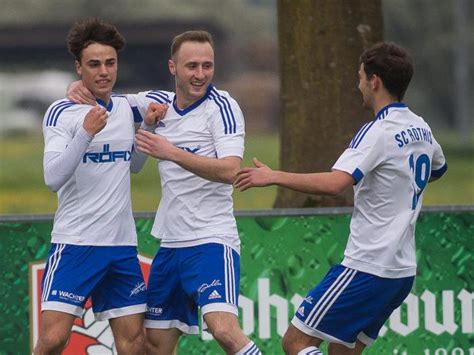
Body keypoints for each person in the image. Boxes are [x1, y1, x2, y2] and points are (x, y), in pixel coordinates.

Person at [234, 42, 447, 354]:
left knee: (295, 342)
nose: (357, 84)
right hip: (401, 272)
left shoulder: (377, 131)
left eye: (360, 76)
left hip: (367, 267)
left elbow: (336, 184)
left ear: (374, 81)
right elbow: (437, 169)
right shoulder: (422, 128)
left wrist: (273, 176)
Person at [68, 30, 261, 355]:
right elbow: (106, 97)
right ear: (173, 67)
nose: (200, 75)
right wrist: (77, 88)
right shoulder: (157, 104)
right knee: (155, 345)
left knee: (225, 331)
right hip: (170, 247)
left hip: (211, 242)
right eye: (192, 66)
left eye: (207, 66)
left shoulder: (223, 107)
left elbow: (229, 170)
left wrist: (171, 152)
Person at [37, 18, 166, 355]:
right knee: (52, 340)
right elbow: (52, 178)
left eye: (110, 63)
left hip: (121, 247)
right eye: (94, 64)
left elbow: (132, 166)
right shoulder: (61, 113)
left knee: (133, 342)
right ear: (79, 68)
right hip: (76, 243)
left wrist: (147, 129)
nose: (104, 71)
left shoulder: (127, 107)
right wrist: (86, 133)